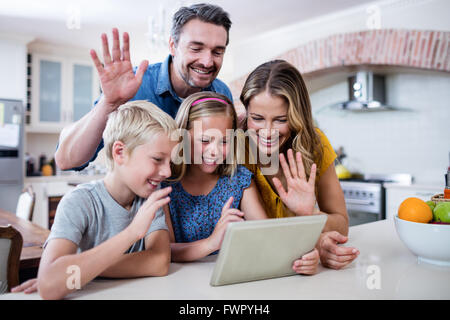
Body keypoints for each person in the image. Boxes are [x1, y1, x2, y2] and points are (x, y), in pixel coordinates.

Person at [12, 101, 177, 299]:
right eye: (158, 159)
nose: (167, 171)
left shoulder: (149, 197)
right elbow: (49, 286)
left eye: (170, 161)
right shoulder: (79, 202)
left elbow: (158, 262)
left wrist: (83, 271)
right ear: (120, 152)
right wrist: (133, 233)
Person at [55, 3, 233, 171]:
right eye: (196, 48)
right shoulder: (135, 87)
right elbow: (67, 161)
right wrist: (108, 103)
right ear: (173, 45)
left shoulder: (221, 94)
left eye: (217, 52)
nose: (207, 62)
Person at [161, 91, 320, 274]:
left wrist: (303, 254)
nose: (215, 151)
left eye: (225, 141)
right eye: (205, 140)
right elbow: (165, 250)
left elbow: (267, 237)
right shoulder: (166, 183)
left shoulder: (238, 180)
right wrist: (211, 243)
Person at [240, 60, 359, 270]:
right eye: (257, 118)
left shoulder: (315, 144)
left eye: (280, 120)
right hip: (251, 265)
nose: (267, 132)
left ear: (298, 116)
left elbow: (342, 225)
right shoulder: (232, 145)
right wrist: (315, 240)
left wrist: (309, 215)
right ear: (246, 112)